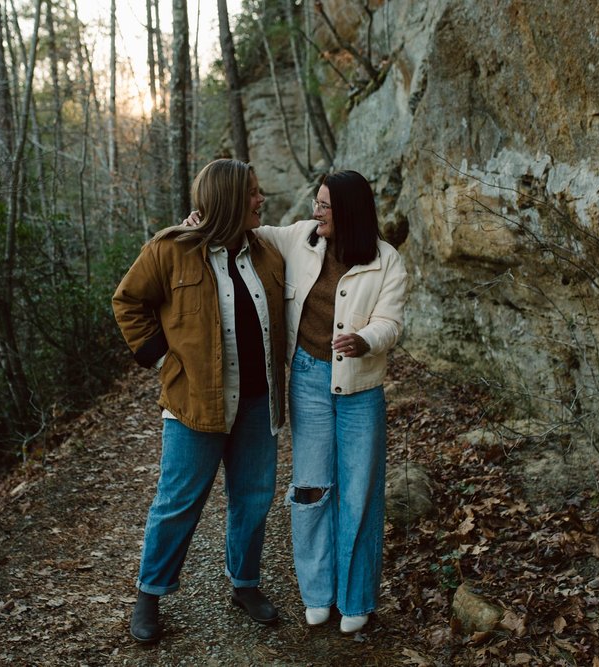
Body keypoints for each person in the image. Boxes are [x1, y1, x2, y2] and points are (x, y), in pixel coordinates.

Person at [186, 170, 407, 633]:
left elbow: (391, 321)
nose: (315, 211)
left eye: (324, 205)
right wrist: (198, 224)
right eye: (317, 202)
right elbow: (243, 228)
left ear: (346, 212)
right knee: (311, 488)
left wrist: (365, 339)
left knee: (359, 493)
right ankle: (317, 593)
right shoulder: (300, 239)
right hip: (307, 377)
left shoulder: (387, 261)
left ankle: (357, 599)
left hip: (360, 385)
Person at [112, 159, 288, 643]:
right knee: (178, 502)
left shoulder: (268, 253)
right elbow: (127, 300)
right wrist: (156, 351)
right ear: (231, 199)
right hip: (195, 403)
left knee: (253, 500)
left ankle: (245, 584)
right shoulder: (172, 249)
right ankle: (150, 593)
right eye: (253, 193)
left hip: (256, 402)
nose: (261, 199)